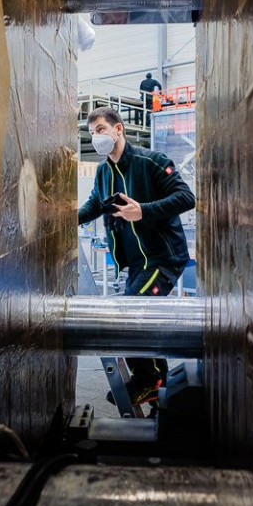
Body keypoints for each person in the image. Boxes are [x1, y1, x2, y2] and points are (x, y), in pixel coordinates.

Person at [78, 106, 195, 410]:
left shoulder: (151, 161)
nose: (96, 137)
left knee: (128, 313)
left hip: (163, 258)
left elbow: (186, 197)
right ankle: (161, 389)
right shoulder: (104, 171)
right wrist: (65, 219)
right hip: (136, 264)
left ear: (119, 129)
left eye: (101, 129)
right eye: (92, 133)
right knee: (142, 319)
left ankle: (147, 380)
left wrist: (144, 210)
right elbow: (94, 205)